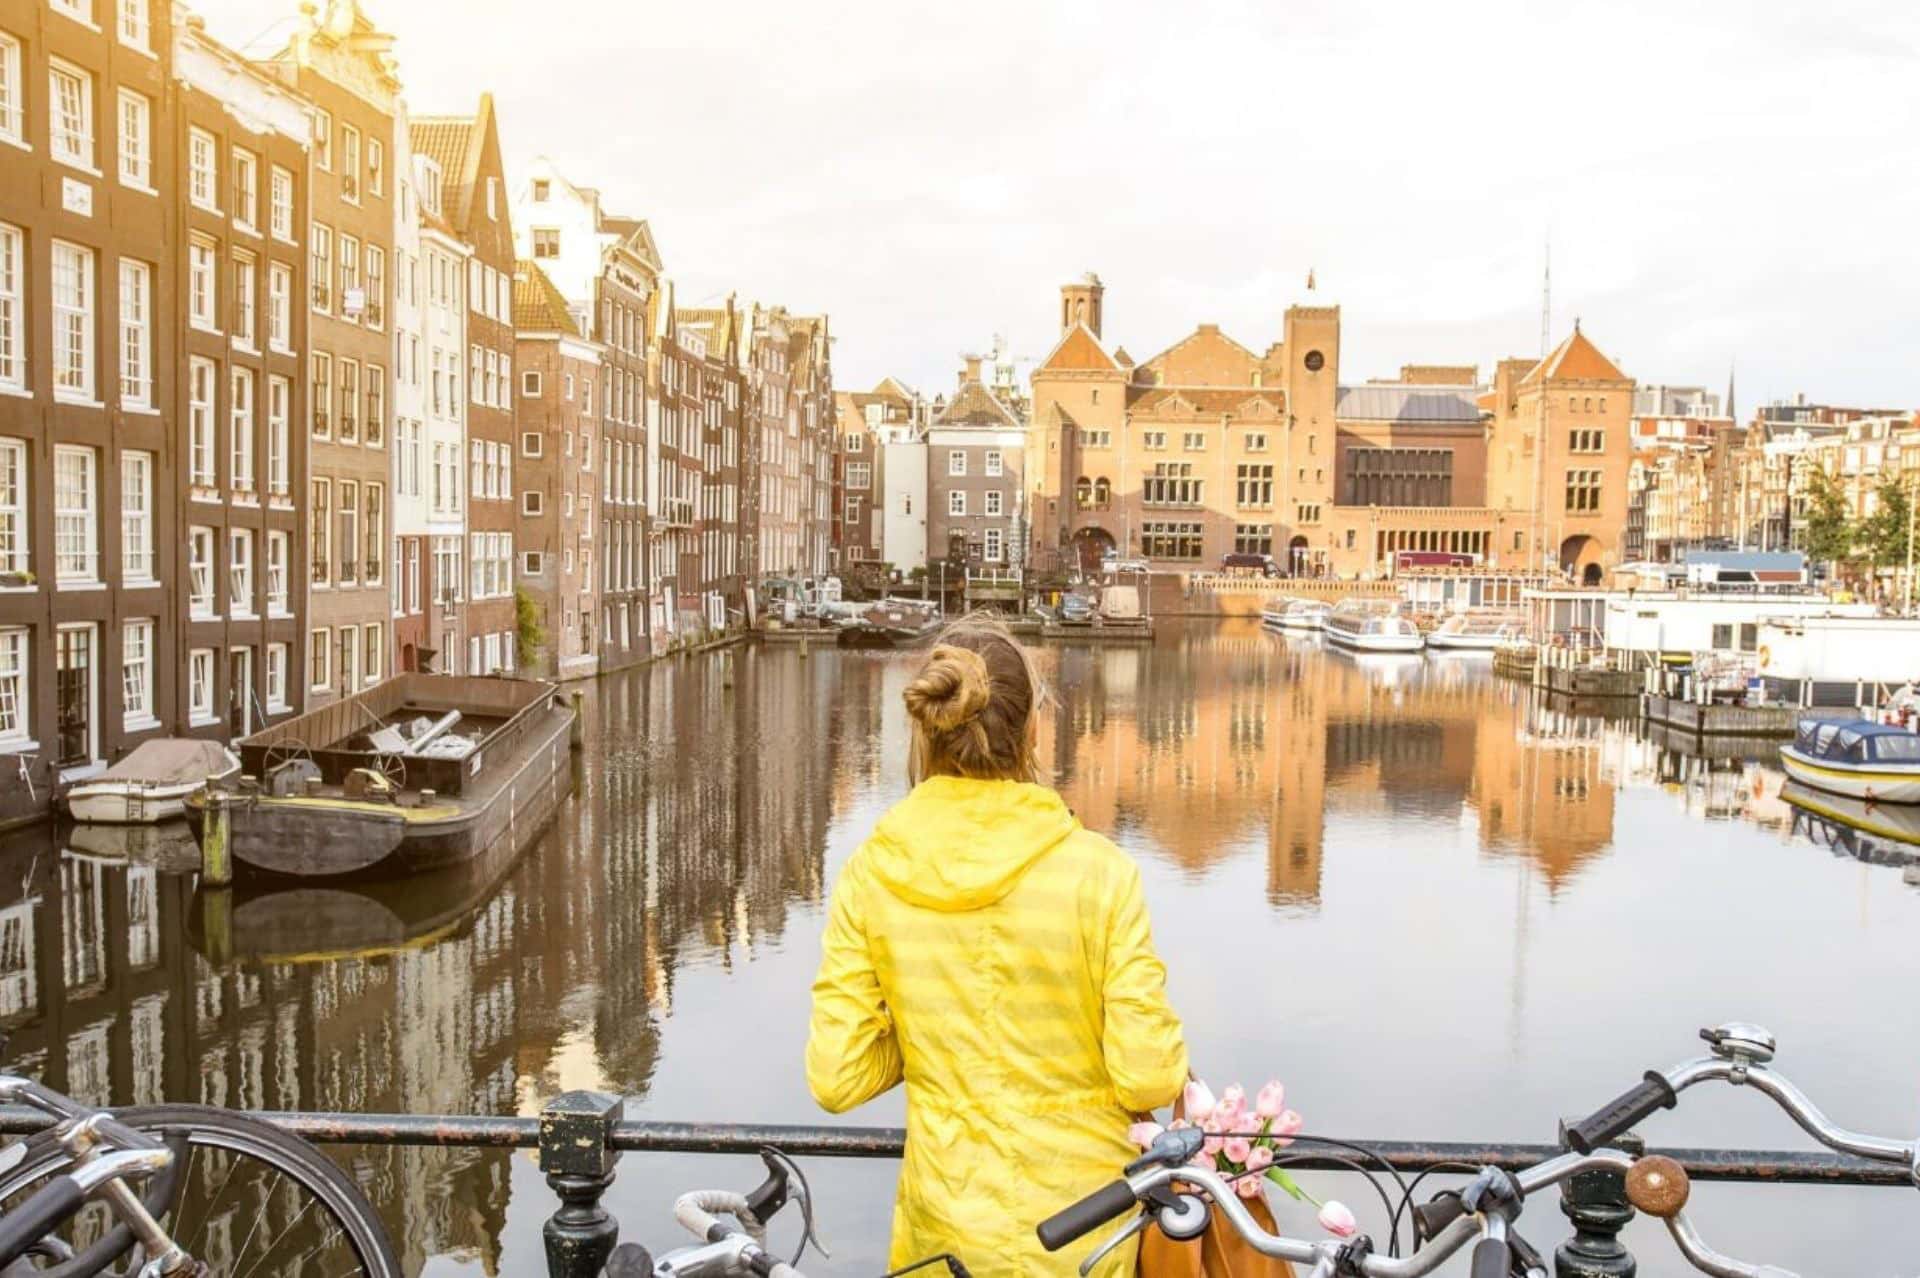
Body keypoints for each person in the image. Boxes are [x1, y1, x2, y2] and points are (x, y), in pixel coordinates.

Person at [806, 614, 1188, 1274]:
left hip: (945, 1233)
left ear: (928, 727)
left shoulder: (873, 873)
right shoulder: (1099, 872)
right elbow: (1147, 1074)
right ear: (1032, 728)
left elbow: (837, 1077)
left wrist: (934, 1026)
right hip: (1083, 1231)